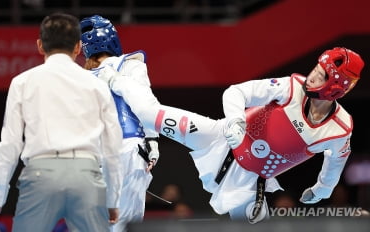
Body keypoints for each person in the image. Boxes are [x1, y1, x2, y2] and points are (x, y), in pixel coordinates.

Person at [98, 47, 365, 224]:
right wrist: (236, 122)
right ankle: (113, 77)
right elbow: (236, 92)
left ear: (335, 88)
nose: (311, 77)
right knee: (149, 115)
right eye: (315, 69)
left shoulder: (340, 129)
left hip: (248, 185)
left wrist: (323, 189)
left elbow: (336, 163)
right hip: (217, 138)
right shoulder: (291, 86)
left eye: (320, 76)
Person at [0, 12, 123, 232]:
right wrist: (113, 199)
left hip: (40, 176)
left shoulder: (22, 82)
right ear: (78, 47)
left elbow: (9, 144)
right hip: (86, 176)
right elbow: (113, 146)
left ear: (40, 45)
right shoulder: (96, 84)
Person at [79, 15, 160, 232]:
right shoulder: (131, 63)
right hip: (128, 148)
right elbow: (146, 105)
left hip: (91, 156)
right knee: (127, 225)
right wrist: (152, 141)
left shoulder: (78, 77)